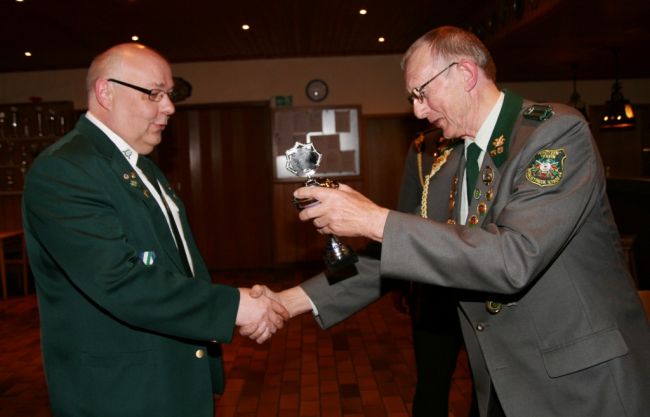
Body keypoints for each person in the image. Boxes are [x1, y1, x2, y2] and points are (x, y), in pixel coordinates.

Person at [251, 26, 650, 416]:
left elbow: (515, 258)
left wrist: (373, 219)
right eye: (412, 98)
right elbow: (398, 254)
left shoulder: (554, 134)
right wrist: (288, 302)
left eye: (421, 93)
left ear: (465, 73)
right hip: (503, 380)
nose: (418, 111)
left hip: (581, 385)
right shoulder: (449, 164)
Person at [22, 43, 288, 417]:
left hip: (168, 377)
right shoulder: (65, 169)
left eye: (169, 94)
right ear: (105, 92)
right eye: (154, 93)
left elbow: (171, 266)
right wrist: (234, 307)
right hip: (120, 393)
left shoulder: (142, 166)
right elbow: (118, 280)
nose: (170, 107)